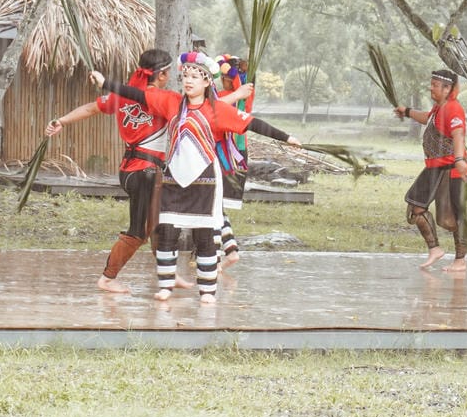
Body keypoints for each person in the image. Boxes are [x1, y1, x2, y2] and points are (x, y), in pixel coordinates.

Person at [91, 51, 299, 304]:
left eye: (195, 77)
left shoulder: (218, 110)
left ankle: (208, 292)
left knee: (204, 235)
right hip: (175, 179)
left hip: (206, 181)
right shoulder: (170, 102)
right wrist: (105, 84)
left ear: (206, 82)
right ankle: (166, 286)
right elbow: (136, 94)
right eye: (186, 76)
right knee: (166, 231)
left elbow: (253, 123)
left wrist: (287, 138)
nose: (188, 81)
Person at [44, 48, 174, 294]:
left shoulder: (123, 96)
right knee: (138, 231)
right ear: (162, 75)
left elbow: (91, 108)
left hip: (130, 170)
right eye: (168, 73)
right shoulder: (162, 98)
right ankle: (108, 278)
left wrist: (60, 121)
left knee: (159, 224)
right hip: (145, 172)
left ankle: (168, 274)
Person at [394, 68, 467, 273]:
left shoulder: (454, 109)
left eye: (435, 85)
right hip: (434, 169)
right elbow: (427, 118)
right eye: (432, 84)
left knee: (456, 217)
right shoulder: (440, 108)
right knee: (415, 208)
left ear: (448, 89)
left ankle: (460, 260)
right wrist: (408, 111)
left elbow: (458, 135)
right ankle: (435, 248)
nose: (431, 88)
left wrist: (460, 160)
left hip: (450, 169)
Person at [215, 54, 250, 268]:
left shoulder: (230, 96)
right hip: (234, 154)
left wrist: (224, 66)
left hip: (226, 155)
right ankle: (229, 249)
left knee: (212, 206)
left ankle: (218, 255)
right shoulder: (243, 98)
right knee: (216, 206)